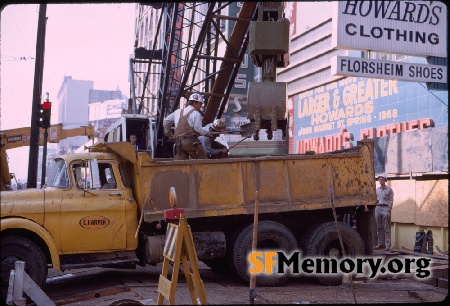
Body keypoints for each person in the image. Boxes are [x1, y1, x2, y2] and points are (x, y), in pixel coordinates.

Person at [163, 93, 211, 160]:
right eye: (200, 104)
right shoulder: (196, 114)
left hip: (179, 143)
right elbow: (198, 128)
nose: (201, 106)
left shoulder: (178, 111)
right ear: (194, 103)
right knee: (203, 160)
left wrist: (170, 135)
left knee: (180, 165)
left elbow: (166, 121)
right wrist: (206, 133)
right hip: (191, 142)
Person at [374, 174, 394, 251]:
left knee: (386, 227)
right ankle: (380, 244)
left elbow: (391, 200)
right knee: (379, 227)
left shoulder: (389, 189)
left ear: (385, 180)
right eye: (379, 179)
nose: (380, 180)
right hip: (378, 208)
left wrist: (389, 208)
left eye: (382, 179)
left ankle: (387, 245)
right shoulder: (377, 190)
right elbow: (375, 199)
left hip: (385, 208)